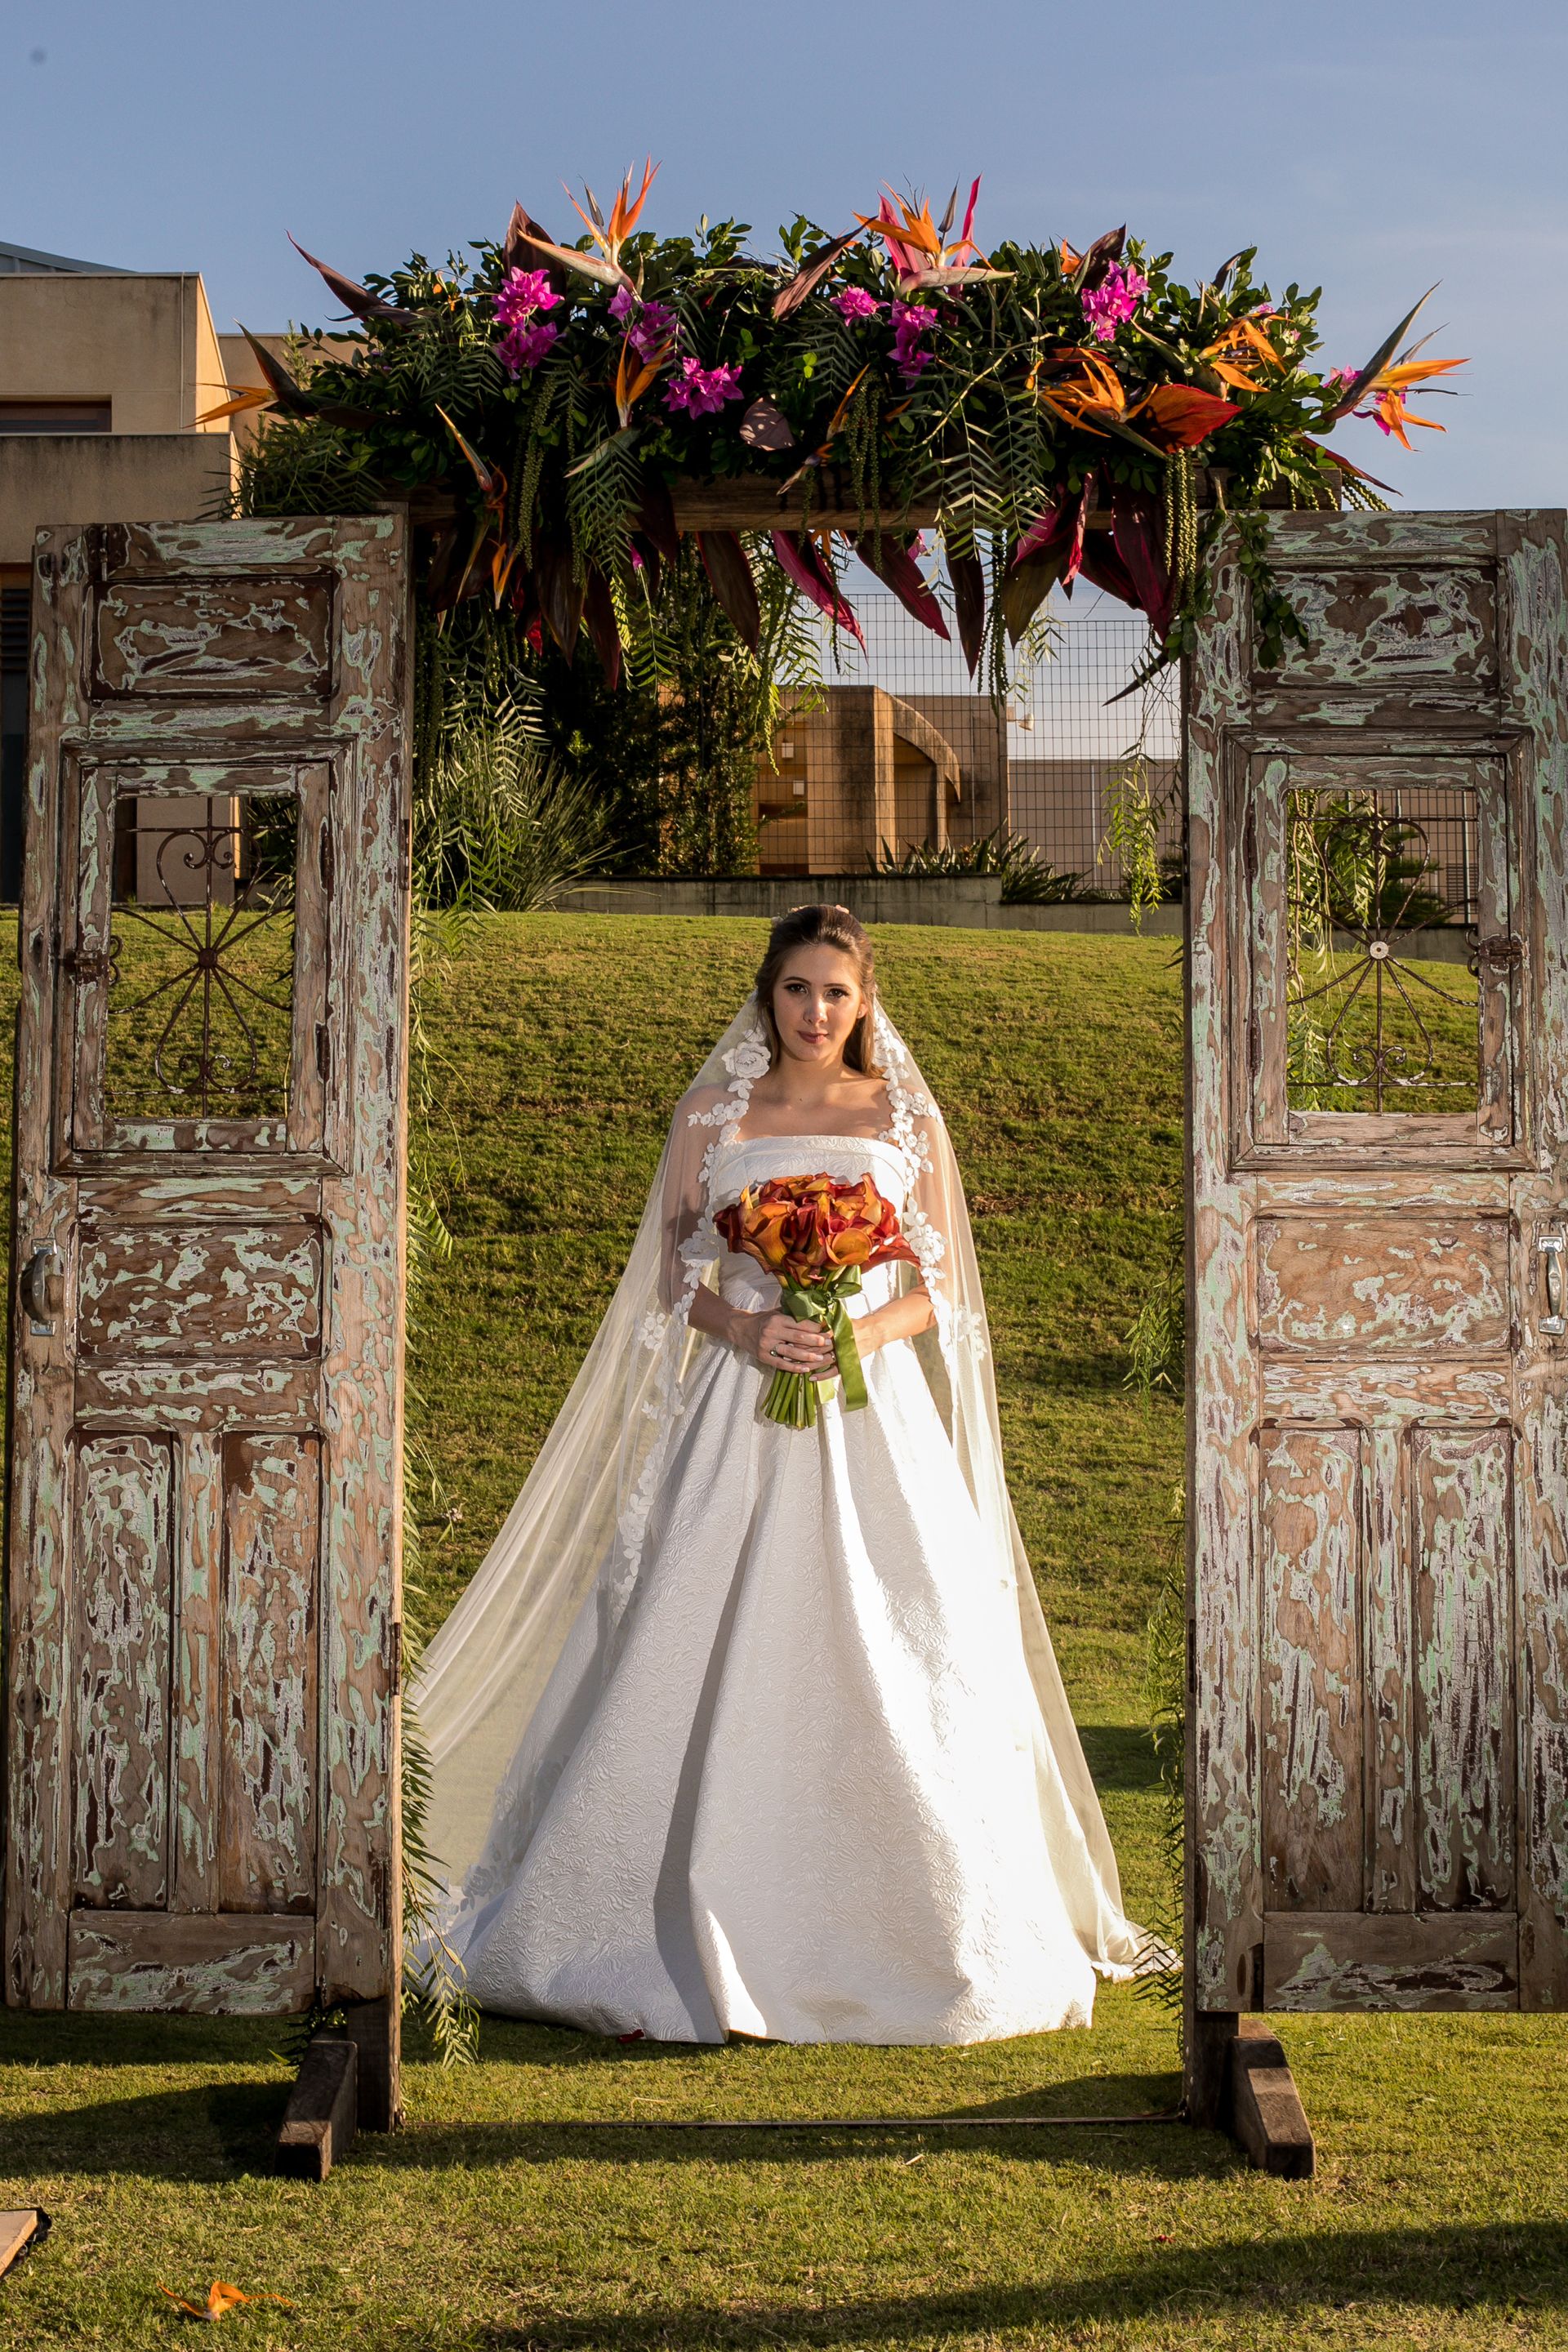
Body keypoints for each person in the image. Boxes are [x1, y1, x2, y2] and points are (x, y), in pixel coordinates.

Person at [412, 903, 1151, 2044]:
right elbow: (670, 1275)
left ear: (867, 1005)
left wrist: (848, 1334)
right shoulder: (712, 1112)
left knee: (900, 1630)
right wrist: (751, 1330)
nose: (816, 1012)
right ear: (768, 992)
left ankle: (915, 1925)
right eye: (798, 989)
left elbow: (938, 1290)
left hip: (870, 1414)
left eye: (837, 994)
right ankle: (637, 1910)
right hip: (738, 1407)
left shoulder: (903, 1119)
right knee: (688, 1613)